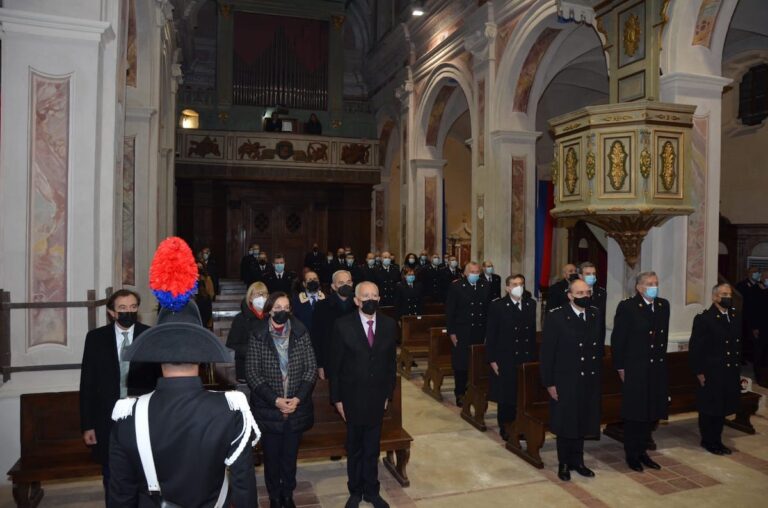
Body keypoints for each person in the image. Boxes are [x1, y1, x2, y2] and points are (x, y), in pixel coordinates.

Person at [109, 236, 259, 507]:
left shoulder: (127, 416)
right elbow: (243, 488)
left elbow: (120, 494)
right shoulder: (230, 411)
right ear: (202, 359)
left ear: (157, 357)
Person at [79, 289, 160, 503]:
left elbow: (159, 381)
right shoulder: (95, 339)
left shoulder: (149, 336)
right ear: (112, 312)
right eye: (122, 308)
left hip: (142, 417)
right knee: (112, 475)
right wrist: (87, 425)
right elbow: (87, 383)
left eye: (133, 307)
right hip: (108, 419)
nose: (128, 312)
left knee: (145, 473)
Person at [328, 281, 397, 508]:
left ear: (379, 299)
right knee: (355, 447)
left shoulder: (388, 324)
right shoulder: (342, 325)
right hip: (352, 397)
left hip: (377, 396)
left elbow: (390, 364)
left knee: (372, 447)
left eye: (374, 295)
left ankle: (372, 491)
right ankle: (355, 491)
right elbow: (335, 366)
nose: (370, 299)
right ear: (356, 300)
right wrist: (337, 399)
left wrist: (388, 393)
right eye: (365, 296)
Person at [247, 292, 317, 508]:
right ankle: (274, 496)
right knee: (272, 456)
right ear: (269, 309)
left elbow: (311, 368)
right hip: (269, 408)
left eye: (286, 307)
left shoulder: (300, 331)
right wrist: (275, 400)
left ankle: (288, 493)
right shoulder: (258, 333)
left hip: (297, 405)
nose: (282, 311)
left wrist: (297, 398)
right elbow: (252, 373)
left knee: (289, 457)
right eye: (277, 307)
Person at [541, 279, 602, 481]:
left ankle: (579, 461)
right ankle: (564, 463)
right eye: (580, 293)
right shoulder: (556, 317)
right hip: (566, 379)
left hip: (588, 378)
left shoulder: (594, 314)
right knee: (566, 423)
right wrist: (549, 383)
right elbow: (547, 353)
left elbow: (597, 348)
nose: (585, 296)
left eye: (587, 292)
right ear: (570, 295)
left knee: (582, 421)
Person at [611, 271, 669, 472]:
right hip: (635, 367)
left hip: (656, 368)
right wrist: (620, 366)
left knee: (651, 412)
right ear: (639, 287)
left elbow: (662, 338)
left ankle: (643, 451)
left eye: (656, 282)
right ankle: (632, 454)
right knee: (635, 413)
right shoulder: (628, 307)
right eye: (649, 283)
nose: (654, 286)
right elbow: (618, 340)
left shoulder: (663, 305)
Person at [688, 283, 742, 455]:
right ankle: (708, 440)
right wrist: (699, 372)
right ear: (714, 297)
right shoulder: (705, 319)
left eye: (729, 294)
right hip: (712, 372)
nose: (727, 297)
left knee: (721, 408)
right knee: (709, 408)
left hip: (728, 371)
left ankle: (717, 440)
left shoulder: (734, 315)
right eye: (724, 294)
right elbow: (696, 348)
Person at [485, 274, 536, 441]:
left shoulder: (530, 304)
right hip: (505, 356)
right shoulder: (498, 306)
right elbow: (491, 335)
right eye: (514, 284)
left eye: (521, 283)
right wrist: (492, 359)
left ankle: (520, 425)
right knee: (506, 395)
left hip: (525, 355)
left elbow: (531, 333)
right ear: (507, 288)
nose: (518, 287)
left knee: (522, 394)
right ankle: (506, 426)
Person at [446, 261, 490, 406]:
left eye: (477, 272)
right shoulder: (456, 286)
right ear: (465, 273)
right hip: (462, 331)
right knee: (461, 363)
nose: (475, 275)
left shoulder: (485, 285)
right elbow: (450, 311)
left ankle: (474, 389)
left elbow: (487, 311)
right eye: (472, 272)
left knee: (477, 362)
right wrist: (452, 332)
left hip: (479, 330)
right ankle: (460, 392)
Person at [310, 270, 356, 379]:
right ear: (333, 286)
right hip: (331, 360)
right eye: (341, 283)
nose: (345, 285)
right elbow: (316, 337)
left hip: (355, 360)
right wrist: (319, 365)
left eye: (348, 282)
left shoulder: (359, 305)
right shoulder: (321, 307)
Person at [227, 281, 269, 381]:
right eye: (257, 294)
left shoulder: (272, 317)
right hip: (246, 369)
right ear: (250, 298)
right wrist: (254, 351)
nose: (261, 297)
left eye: (263, 294)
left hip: (269, 370)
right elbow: (232, 345)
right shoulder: (240, 319)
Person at [735, 266, 760, 365]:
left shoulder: (759, 285)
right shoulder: (741, 285)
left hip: (756, 317)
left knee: (754, 340)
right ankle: (742, 359)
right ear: (748, 273)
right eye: (753, 271)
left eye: (757, 271)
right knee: (744, 339)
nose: (756, 273)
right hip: (744, 316)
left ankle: (752, 358)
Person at [579, 261, 607, 343]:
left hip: (596, 339)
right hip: (579, 338)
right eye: (588, 274)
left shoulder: (601, 293)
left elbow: (601, 320)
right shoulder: (573, 293)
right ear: (580, 276)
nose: (592, 276)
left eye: (593, 274)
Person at [752, 270, 768, 385]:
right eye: (766, 276)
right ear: (761, 277)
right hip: (759, 326)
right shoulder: (755, 290)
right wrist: (755, 327)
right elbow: (753, 310)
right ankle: (758, 377)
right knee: (758, 352)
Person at [195, 261, 215, 330]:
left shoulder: (207, 278)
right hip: (195, 303)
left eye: (200, 267)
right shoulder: (192, 279)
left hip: (205, 302)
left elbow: (211, 293)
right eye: (197, 267)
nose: (198, 269)